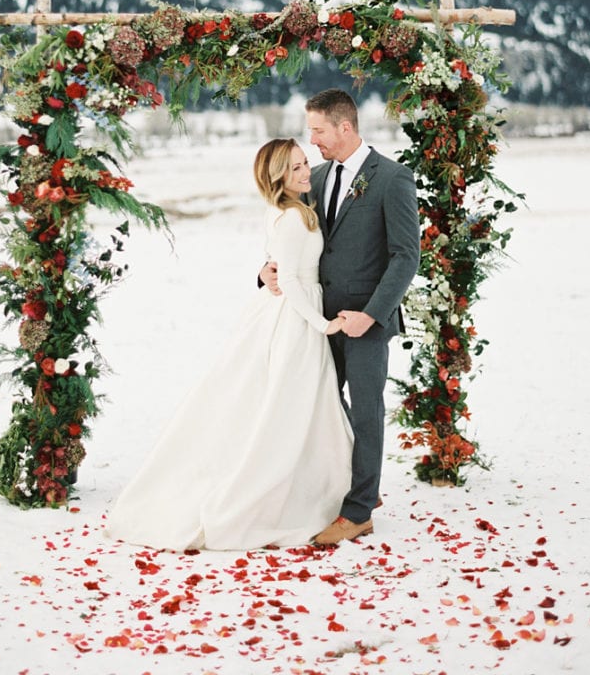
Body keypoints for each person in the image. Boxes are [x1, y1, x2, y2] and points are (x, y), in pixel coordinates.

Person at [104, 138, 353, 551]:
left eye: (304, 163)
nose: (305, 172)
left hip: (289, 310)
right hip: (297, 317)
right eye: (294, 169)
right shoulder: (291, 217)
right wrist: (322, 325)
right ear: (277, 177)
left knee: (304, 403)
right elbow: (289, 279)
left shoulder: (287, 210)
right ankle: (292, 489)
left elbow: (276, 263)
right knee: (291, 404)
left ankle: (327, 484)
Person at [261, 89, 420, 546]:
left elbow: (405, 256)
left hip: (365, 322)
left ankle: (358, 511)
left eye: (317, 130)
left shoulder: (392, 178)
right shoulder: (316, 176)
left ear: (344, 127)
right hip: (316, 321)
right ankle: (342, 488)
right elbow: (290, 237)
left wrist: (370, 316)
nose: (312, 141)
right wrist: (264, 268)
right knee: (323, 408)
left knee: (366, 412)